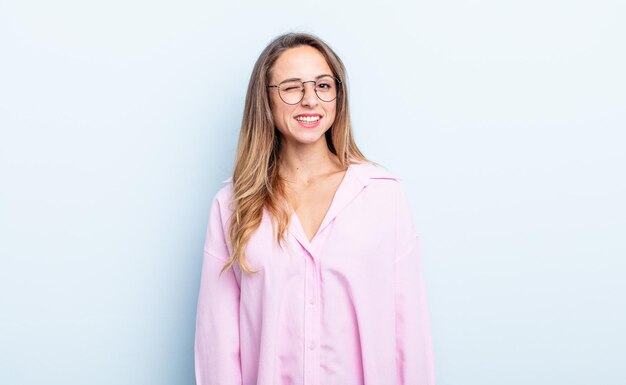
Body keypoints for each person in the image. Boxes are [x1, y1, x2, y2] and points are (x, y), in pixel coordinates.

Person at [194, 32, 435, 385]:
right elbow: (217, 345)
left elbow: (410, 333)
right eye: (292, 87)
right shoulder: (232, 206)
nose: (310, 100)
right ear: (266, 99)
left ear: (338, 95)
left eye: (323, 85)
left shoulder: (383, 197)